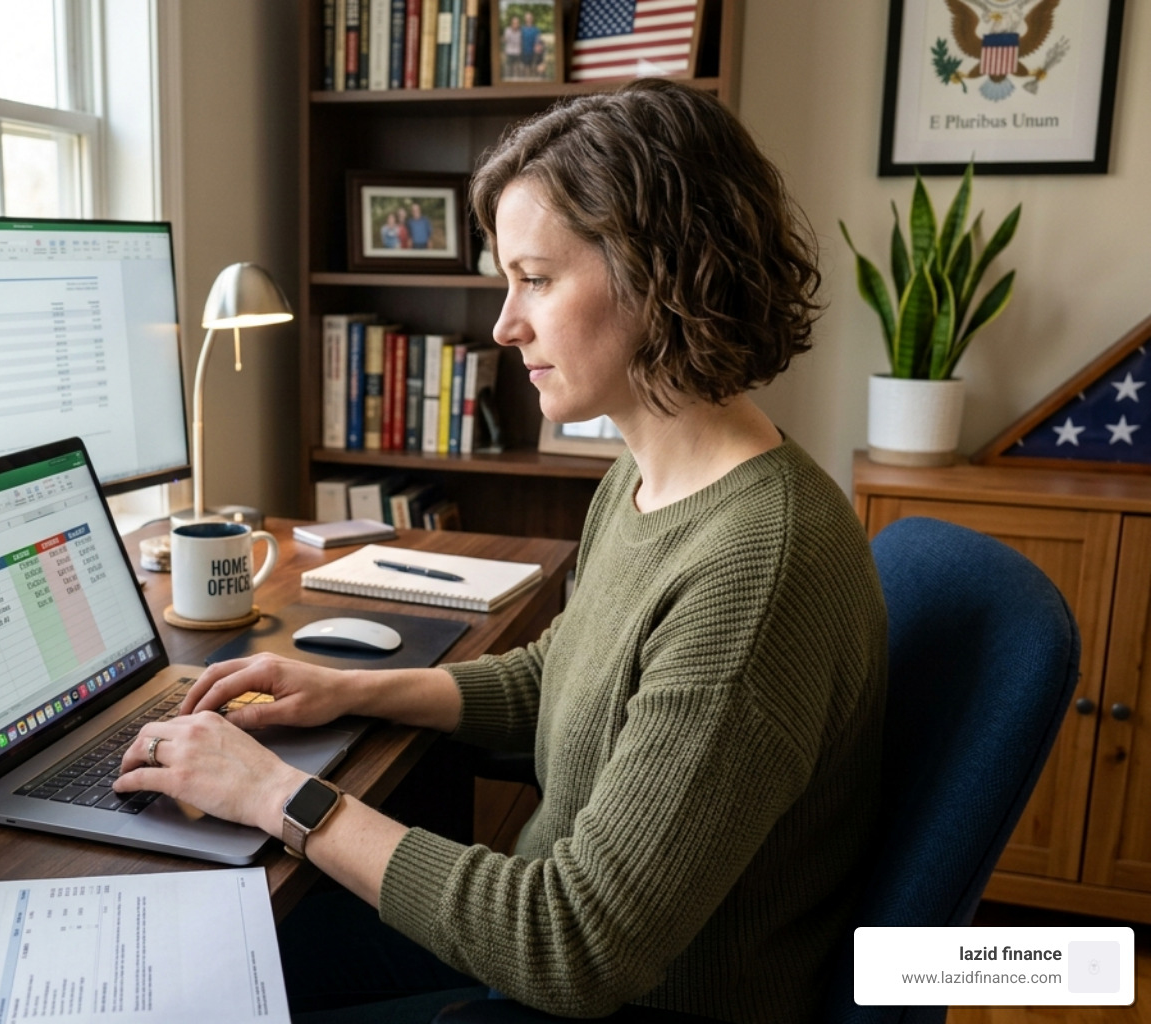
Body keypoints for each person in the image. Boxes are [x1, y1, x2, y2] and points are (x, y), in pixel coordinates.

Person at [113, 78, 886, 1023]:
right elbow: (564, 681)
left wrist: (278, 795)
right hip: (531, 936)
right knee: (196, 962)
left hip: (620, 997)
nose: (503, 323)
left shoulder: (757, 569)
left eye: (538, 278)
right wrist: (347, 687)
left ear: (662, 270)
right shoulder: (647, 477)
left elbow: (576, 945)